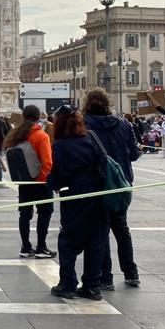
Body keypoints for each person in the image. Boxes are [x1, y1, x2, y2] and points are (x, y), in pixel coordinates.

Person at [46, 105, 108, 301]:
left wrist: (53, 183)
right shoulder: (91, 138)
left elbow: (58, 176)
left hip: (75, 197)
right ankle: (92, 285)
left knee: (69, 240)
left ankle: (68, 283)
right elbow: (103, 162)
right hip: (98, 195)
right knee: (95, 240)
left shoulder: (60, 145)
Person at [82, 88, 140, 289]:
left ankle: (106, 277)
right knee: (122, 228)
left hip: (97, 185)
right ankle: (131, 273)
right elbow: (134, 154)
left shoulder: (84, 125)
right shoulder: (124, 124)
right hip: (121, 183)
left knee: (101, 230)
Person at [3, 105, 55, 259]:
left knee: (25, 214)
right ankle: (41, 247)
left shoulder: (16, 135)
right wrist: (45, 178)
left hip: (24, 182)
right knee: (45, 213)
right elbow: (47, 162)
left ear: (24, 117)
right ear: (38, 117)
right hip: (40, 182)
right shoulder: (41, 135)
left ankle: (25, 247)